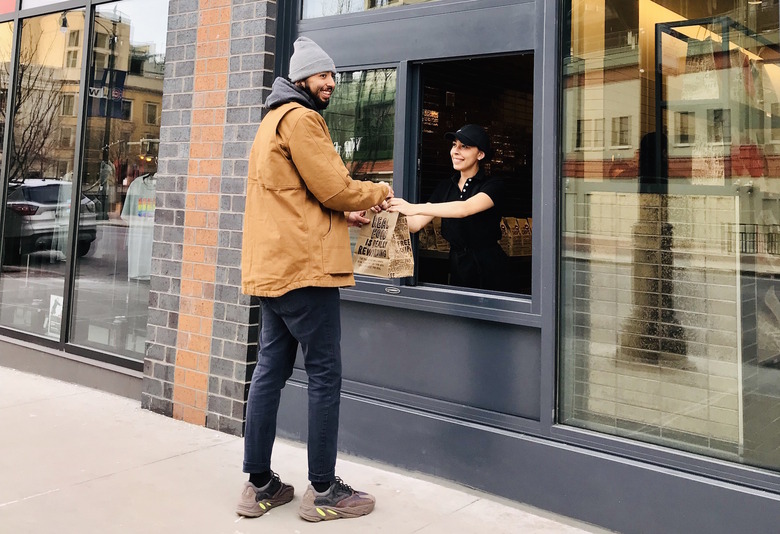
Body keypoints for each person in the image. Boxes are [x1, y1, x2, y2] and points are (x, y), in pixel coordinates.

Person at [237, 37, 392, 522]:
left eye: (332, 76)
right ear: (302, 77)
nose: (330, 83)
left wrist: (345, 219)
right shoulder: (302, 119)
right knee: (325, 375)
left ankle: (259, 485)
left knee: (269, 372)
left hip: (272, 268)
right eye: (323, 76)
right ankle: (323, 491)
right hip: (305, 272)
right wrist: (379, 190)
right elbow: (334, 187)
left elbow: (295, 197)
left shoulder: (270, 122)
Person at [388, 124, 510, 291]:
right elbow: (415, 224)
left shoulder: (493, 185)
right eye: (454, 145)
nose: (456, 151)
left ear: (480, 154)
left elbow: (464, 209)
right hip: (458, 265)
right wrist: (387, 208)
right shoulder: (445, 187)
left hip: (490, 265)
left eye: (464, 146)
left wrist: (413, 207)